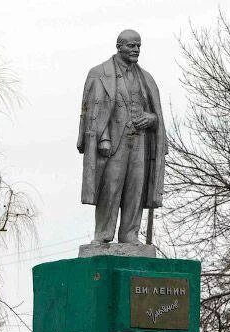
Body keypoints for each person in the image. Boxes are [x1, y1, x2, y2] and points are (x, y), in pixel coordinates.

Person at [78, 29, 166, 246]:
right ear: (119, 46)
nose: (136, 49)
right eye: (131, 45)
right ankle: (103, 234)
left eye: (138, 45)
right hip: (113, 143)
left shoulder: (146, 78)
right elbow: (92, 111)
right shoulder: (99, 73)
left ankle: (130, 235)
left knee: (135, 189)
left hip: (140, 143)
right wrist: (102, 138)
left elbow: (157, 115)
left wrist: (151, 119)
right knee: (111, 188)